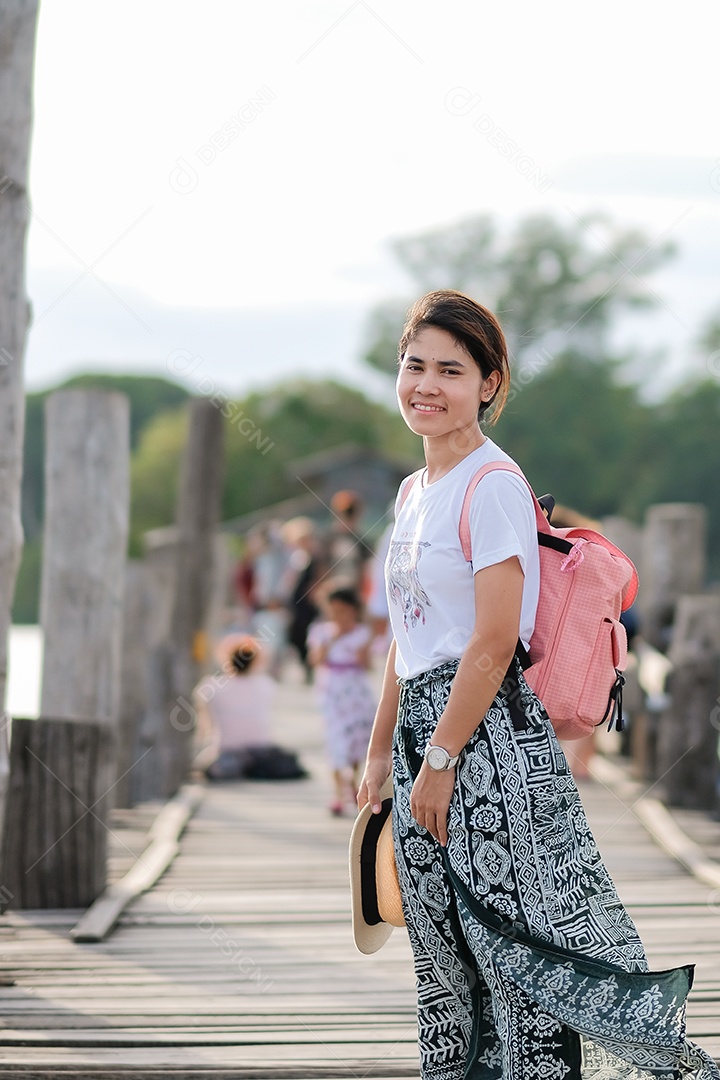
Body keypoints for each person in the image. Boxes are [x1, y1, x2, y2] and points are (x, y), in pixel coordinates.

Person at [358, 290, 719, 1079]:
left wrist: (443, 757)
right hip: (424, 733)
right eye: (415, 365)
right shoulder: (413, 491)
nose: (426, 385)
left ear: (490, 384)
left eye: (451, 370)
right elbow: (407, 635)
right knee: (441, 946)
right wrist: (381, 750)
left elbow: (493, 641)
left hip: (485, 737)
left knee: (517, 949)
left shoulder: (491, 485)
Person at [308, 586, 376, 817]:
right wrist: (334, 638)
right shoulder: (321, 631)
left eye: (343, 611)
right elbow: (315, 660)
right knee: (335, 740)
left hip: (355, 693)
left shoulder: (363, 633)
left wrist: (359, 651)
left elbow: (367, 664)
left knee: (357, 739)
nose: (339, 616)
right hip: (332, 693)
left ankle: (354, 781)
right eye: (334, 611)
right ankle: (338, 792)